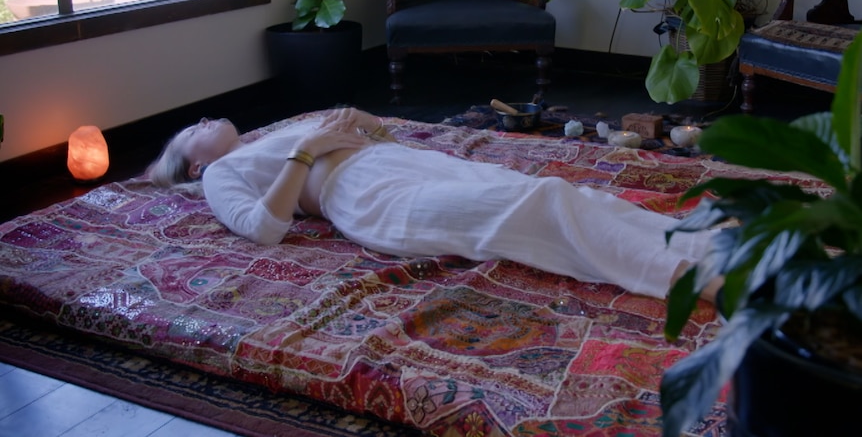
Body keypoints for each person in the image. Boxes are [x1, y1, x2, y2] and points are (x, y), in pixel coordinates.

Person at [149, 107, 719, 300]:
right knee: (540, 205)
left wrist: (361, 124)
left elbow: (379, 134)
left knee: (566, 192)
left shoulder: (273, 133)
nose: (204, 121)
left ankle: (715, 244)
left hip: (403, 165)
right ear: (194, 165)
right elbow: (263, 229)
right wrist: (306, 150)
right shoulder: (221, 174)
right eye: (192, 130)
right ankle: (696, 277)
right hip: (369, 197)